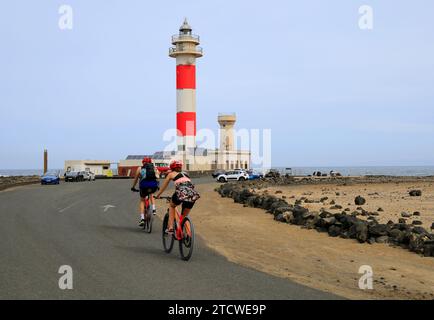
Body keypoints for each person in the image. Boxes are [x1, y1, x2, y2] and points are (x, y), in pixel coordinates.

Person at [155, 160, 200, 234]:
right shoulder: (186, 174)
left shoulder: (171, 174)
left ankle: (170, 228)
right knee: (184, 216)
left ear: (172, 167)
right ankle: (188, 236)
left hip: (181, 193)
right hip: (192, 194)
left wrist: (158, 195)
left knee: (172, 206)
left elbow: (164, 186)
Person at [131, 157, 160, 227]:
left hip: (143, 186)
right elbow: (158, 177)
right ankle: (153, 209)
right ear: (150, 162)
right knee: (151, 194)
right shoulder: (154, 168)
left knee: (142, 200)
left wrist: (133, 187)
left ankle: (142, 219)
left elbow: (136, 179)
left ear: (143, 162)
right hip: (153, 186)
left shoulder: (140, 168)